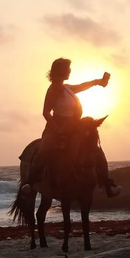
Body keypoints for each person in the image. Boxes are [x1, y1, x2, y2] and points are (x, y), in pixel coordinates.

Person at [22, 57, 121, 197]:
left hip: (74, 124)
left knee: (95, 148)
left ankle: (107, 184)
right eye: (67, 69)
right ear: (60, 71)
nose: (69, 71)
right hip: (57, 125)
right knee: (44, 148)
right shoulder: (54, 89)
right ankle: (30, 183)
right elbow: (45, 112)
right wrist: (58, 129)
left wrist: (98, 82)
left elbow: (82, 86)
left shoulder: (66, 88)